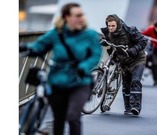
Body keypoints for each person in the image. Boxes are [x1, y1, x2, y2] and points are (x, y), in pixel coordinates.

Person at [20, 3, 102, 135]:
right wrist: (26, 47)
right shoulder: (56, 34)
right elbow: (39, 46)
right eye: (77, 15)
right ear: (66, 17)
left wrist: (83, 67)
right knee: (59, 119)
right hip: (57, 82)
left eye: (82, 15)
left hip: (80, 82)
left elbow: (95, 55)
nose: (82, 18)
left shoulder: (90, 35)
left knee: (73, 117)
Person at [100, 14, 147, 115]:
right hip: (124, 61)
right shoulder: (108, 33)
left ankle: (136, 107)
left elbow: (144, 41)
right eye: (109, 26)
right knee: (126, 85)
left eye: (113, 26)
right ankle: (128, 108)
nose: (111, 28)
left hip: (137, 59)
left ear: (117, 24)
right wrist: (102, 42)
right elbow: (108, 43)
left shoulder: (130, 31)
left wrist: (133, 50)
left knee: (135, 81)